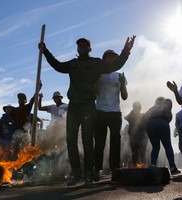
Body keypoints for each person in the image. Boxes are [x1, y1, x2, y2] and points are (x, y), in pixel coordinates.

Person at [38, 35, 136, 187]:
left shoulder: (96, 63)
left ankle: (89, 175)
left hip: (89, 106)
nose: (82, 48)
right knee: (71, 140)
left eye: (85, 46)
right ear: (77, 49)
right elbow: (58, 66)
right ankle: (76, 173)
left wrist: (127, 50)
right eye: (80, 46)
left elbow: (116, 65)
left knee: (88, 141)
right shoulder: (73, 64)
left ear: (90, 49)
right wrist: (45, 51)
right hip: (74, 106)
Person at [93, 50, 128, 182]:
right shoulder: (99, 74)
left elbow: (124, 97)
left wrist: (123, 84)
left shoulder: (119, 75)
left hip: (115, 112)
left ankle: (115, 170)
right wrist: (95, 81)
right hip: (100, 111)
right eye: (109, 57)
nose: (111, 59)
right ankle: (96, 169)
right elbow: (94, 92)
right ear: (104, 59)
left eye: (114, 57)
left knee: (115, 140)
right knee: (100, 142)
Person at [146, 97, 180, 175]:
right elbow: (168, 116)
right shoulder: (165, 106)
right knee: (167, 146)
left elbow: (145, 117)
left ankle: (153, 164)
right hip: (162, 122)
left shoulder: (151, 108)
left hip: (150, 124)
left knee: (155, 147)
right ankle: (172, 167)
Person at [124, 101, 148, 167]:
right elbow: (125, 118)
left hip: (142, 138)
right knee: (135, 154)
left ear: (140, 108)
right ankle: (136, 167)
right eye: (135, 107)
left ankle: (143, 167)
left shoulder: (143, 116)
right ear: (133, 108)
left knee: (142, 153)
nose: (137, 109)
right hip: (133, 138)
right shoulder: (130, 116)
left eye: (138, 108)